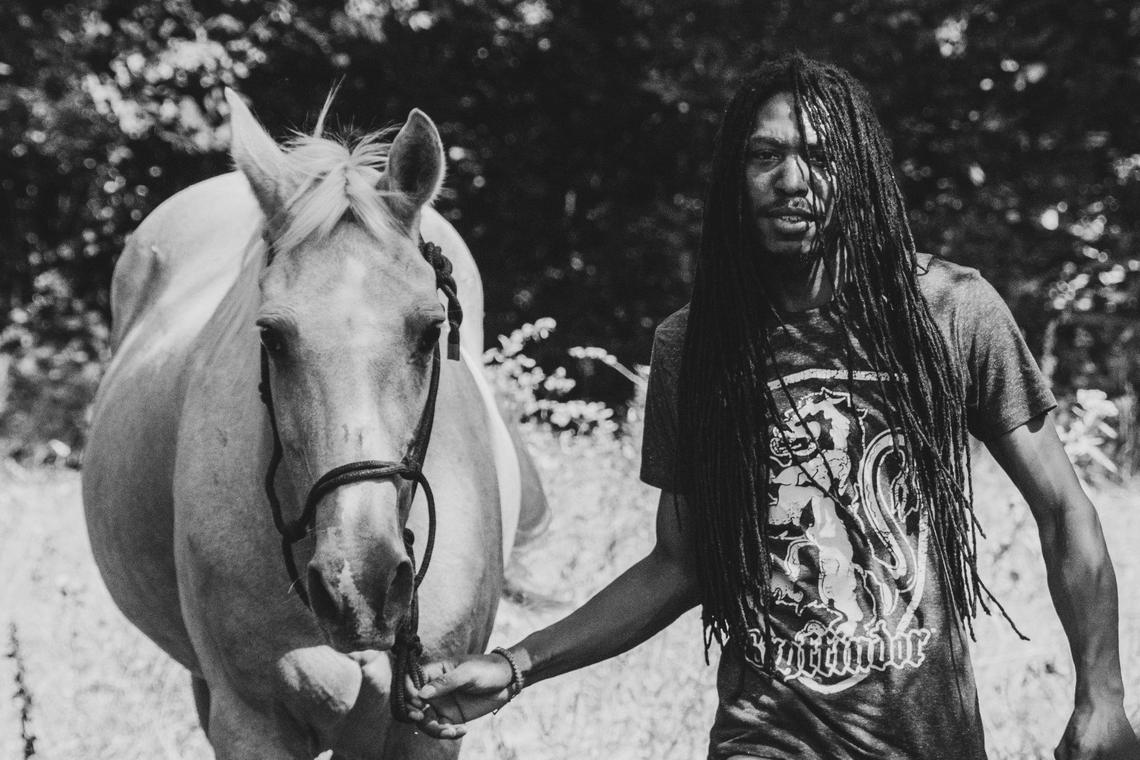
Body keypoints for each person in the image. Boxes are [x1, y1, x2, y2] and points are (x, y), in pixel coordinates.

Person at [404, 54, 1140, 759]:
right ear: (735, 176)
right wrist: (516, 665)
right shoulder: (695, 347)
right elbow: (680, 563)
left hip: (926, 741)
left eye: (820, 157)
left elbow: (1065, 510)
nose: (793, 180)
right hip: (765, 740)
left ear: (858, 173)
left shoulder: (949, 313)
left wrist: (1102, 695)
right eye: (766, 157)